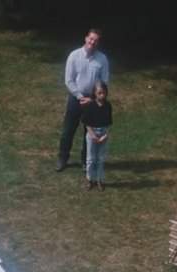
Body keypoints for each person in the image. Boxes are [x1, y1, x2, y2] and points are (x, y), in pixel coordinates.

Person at [56, 28, 110, 173]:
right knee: (68, 131)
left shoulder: (102, 59)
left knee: (90, 133)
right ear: (86, 38)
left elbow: (104, 81)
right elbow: (69, 80)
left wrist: (92, 99)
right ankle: (62, 158)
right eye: (91, 39)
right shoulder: (74, 56)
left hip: (93, 101)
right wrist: (80, 96)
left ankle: (86, 161)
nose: (92, 42)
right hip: (76, 99)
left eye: (95, 40)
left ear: (98, 43)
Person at [81, 80, 113, 191]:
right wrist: (93, 135)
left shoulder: (108, 106)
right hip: (92, 133)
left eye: (104, 92)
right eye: (99, 93)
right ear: (95, 93)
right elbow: (86, 123)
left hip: (103, 133)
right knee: (90, 159)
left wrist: (105, 135)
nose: (102, 95)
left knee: (100, 159)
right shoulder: (90, 106)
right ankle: (90, 180)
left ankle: (100, 180)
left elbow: (109, 123)